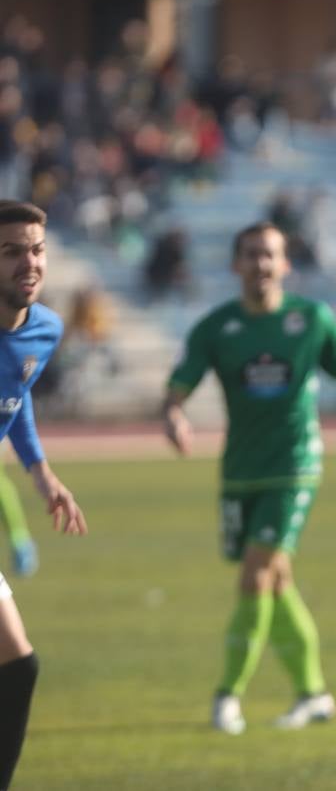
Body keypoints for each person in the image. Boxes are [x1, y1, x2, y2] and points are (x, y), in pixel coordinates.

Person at [162, 222, 336, 735]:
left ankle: (227, 697)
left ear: (285, 265)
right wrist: (173, 413)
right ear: (235, 264)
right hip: (240, 470)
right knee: (277, 583)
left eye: (270, 255)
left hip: (295, 465)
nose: (261, 264)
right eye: (251, 255)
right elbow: (179, 386)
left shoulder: (311, 319)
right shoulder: (216, 327)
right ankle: (314, 694)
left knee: (256, 576)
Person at [0, 201, 87, 790]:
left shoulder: (45, 329)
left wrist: (42, 472)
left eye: (35, 249)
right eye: (10, 253)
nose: (28, 263)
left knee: (18, 666)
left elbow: (18, 390)